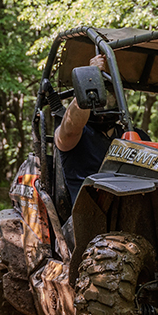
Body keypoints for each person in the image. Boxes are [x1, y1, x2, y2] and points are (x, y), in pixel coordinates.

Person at [55, 54, 126, 206]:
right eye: (97, 95)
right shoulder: (77, 134)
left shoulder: (133, 135)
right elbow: (69, 129)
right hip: (89, 216)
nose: (103, 102)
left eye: (110, 96)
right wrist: (90, 78)